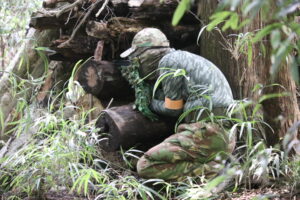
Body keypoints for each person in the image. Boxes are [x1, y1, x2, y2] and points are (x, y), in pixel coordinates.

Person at [120, 28, 235, 180]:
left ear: (148, 54)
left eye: (138, 57)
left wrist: (148, 103)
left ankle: (219, 172)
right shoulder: (184, 59)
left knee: (146, 165)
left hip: (208, 132)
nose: (137, 63)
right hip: (223, 134)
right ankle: (216, 168)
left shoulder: (168, 62)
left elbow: (173, 108)